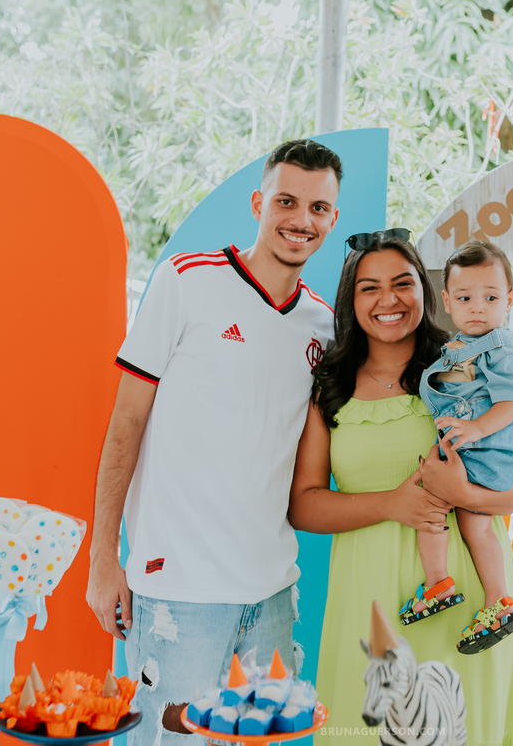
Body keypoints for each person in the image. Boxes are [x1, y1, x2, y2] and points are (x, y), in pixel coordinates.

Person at [86, 139, 341, 744]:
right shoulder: (187, 280)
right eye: (286, 201)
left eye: (318, 208)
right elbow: (125, 425)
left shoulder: (323, 326)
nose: (301, 220)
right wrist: (103, 559)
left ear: (331, 219)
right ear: (258, 203)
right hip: (179, 587)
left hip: (274, 591)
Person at [289, 231, 513, 746]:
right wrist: (392, 503)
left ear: (428, 294)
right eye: (369, 288)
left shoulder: (463, 367)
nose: (389, 300)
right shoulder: (329, 385)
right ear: (350, 299)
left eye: (403, 283)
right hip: (371, 604)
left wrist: (465, 496)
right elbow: (304, 507)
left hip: (469, 607)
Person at [401, 240, 513, 655]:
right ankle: (497, 600)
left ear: (509, 300)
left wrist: (477, 428)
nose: (478, 307)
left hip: (489, 451)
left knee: (430, 502)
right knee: (471, 524)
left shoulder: (502, 349)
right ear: (446, 300)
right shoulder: (457, 346)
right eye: (465, 298)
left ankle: (440, 583)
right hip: (477, 449)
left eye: (491, 298)